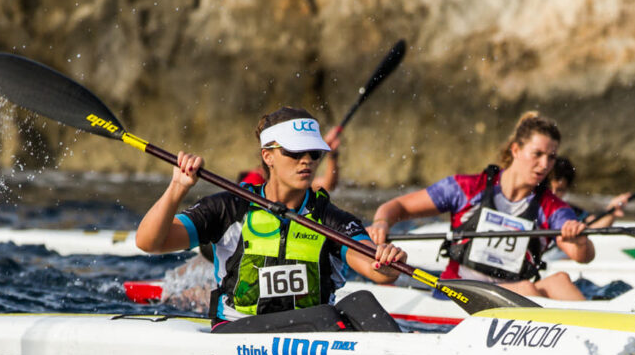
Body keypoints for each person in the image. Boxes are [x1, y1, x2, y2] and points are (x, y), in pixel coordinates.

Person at [136, 107, 407, 333]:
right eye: (295, 152)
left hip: (314, 331)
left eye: (314, 153)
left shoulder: (329, 218)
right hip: (237, 330)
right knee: (325, 316)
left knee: (362, 300)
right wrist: (178, 188)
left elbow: (377, 271)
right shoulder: (228, 208)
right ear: (268, 156)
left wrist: (389, 260)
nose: (307, 161)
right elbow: (149, 242)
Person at [368, 111, 591, 301]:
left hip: (511, 296)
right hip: (456, 294)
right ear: (515, 150)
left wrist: (579, 241)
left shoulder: (553, 207)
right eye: (538, 154)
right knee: (527, 289)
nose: (545, 165)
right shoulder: (466, 188)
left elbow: (582, 255)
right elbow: (397, 207)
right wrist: (380, 222)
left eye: (551, 157)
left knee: (559, 281)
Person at [550, 157, 631, 229]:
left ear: (566, 190)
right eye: (549, 188)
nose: (553, 193)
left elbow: (594, 226)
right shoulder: (537, 207)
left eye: (559, 190)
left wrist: (611, 211)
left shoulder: (570, 212)